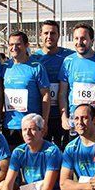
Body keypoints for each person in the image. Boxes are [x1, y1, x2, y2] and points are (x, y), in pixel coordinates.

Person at [1, 31, 50, 149]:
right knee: (14, 163)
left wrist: (44, 121)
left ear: (26, 45)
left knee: (33, 161)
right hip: (11, 124)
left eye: (18, 44)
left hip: (32, 125)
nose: (14, 48)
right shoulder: (5, 67)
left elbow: (46, 95)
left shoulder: (36, 67)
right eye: (11, 44)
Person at [31, 20, 74, 150]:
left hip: (64, 115)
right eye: (46, 33)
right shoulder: (34, 59)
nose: (49, 36)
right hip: (42, 115)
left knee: (66, 153)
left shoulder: (70, 56)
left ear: (59, 35)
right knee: (44, 153)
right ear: (40, 35)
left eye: (53, 33)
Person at [59, 23, 95, 136]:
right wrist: (63, 117)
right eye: (76, 38)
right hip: (75, 121)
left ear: (92, 40)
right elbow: (62, 93)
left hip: (94, 120)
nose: (79, 42)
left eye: (83, 38)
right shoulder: (68, 61)